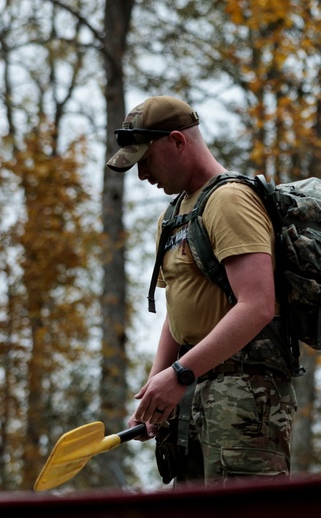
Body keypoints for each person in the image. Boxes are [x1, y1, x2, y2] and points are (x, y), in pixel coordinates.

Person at [106, 96, 296, 483]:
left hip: (245, 396)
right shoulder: (174, 214)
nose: (142, 175)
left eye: (146, 160)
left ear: (178, 142)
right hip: (194, 392)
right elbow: (178, 311)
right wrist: (154, 397)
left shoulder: (229, 200)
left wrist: (177, 376)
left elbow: (258, 305)